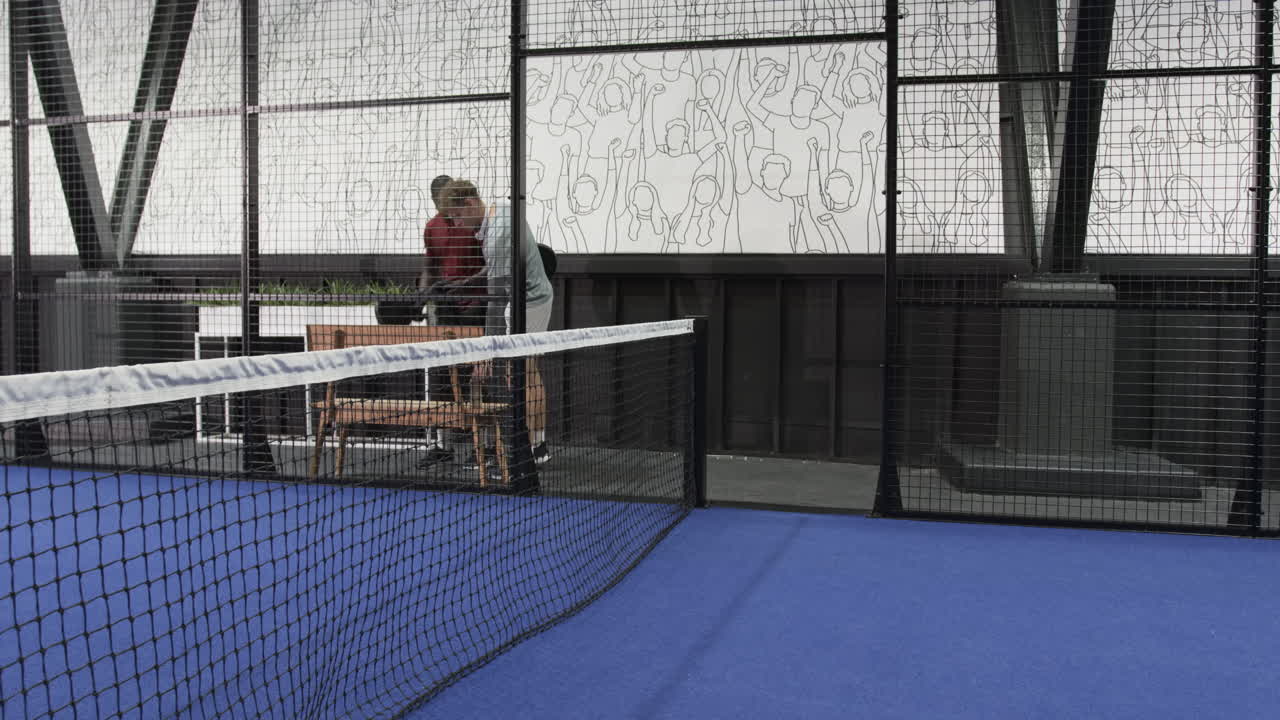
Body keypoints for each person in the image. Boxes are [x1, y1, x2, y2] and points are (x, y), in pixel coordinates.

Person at [439, 179, 554, 466]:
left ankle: (537, 446)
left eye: (456, 216)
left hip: (532, 301)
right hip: (512, 297)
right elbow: (497, 268)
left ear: (468, 204)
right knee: (504, 373)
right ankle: (500, 445)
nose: (457, 223)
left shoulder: (499, 231)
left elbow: (498, 296)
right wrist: (467, 281)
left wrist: (487, 351)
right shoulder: (498, 215)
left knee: (526, 370)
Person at [420, 174, 485, 464]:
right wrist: (422, 296)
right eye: (439, 201)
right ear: (435, 201)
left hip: (476, 303)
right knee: (443, 374)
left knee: (477, 374)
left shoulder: (473, 223)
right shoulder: (432, 228)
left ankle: (480, 447)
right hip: (445, 306)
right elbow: (430, 266)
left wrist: (468, 286)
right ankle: (443, 446)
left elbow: (489, 265)